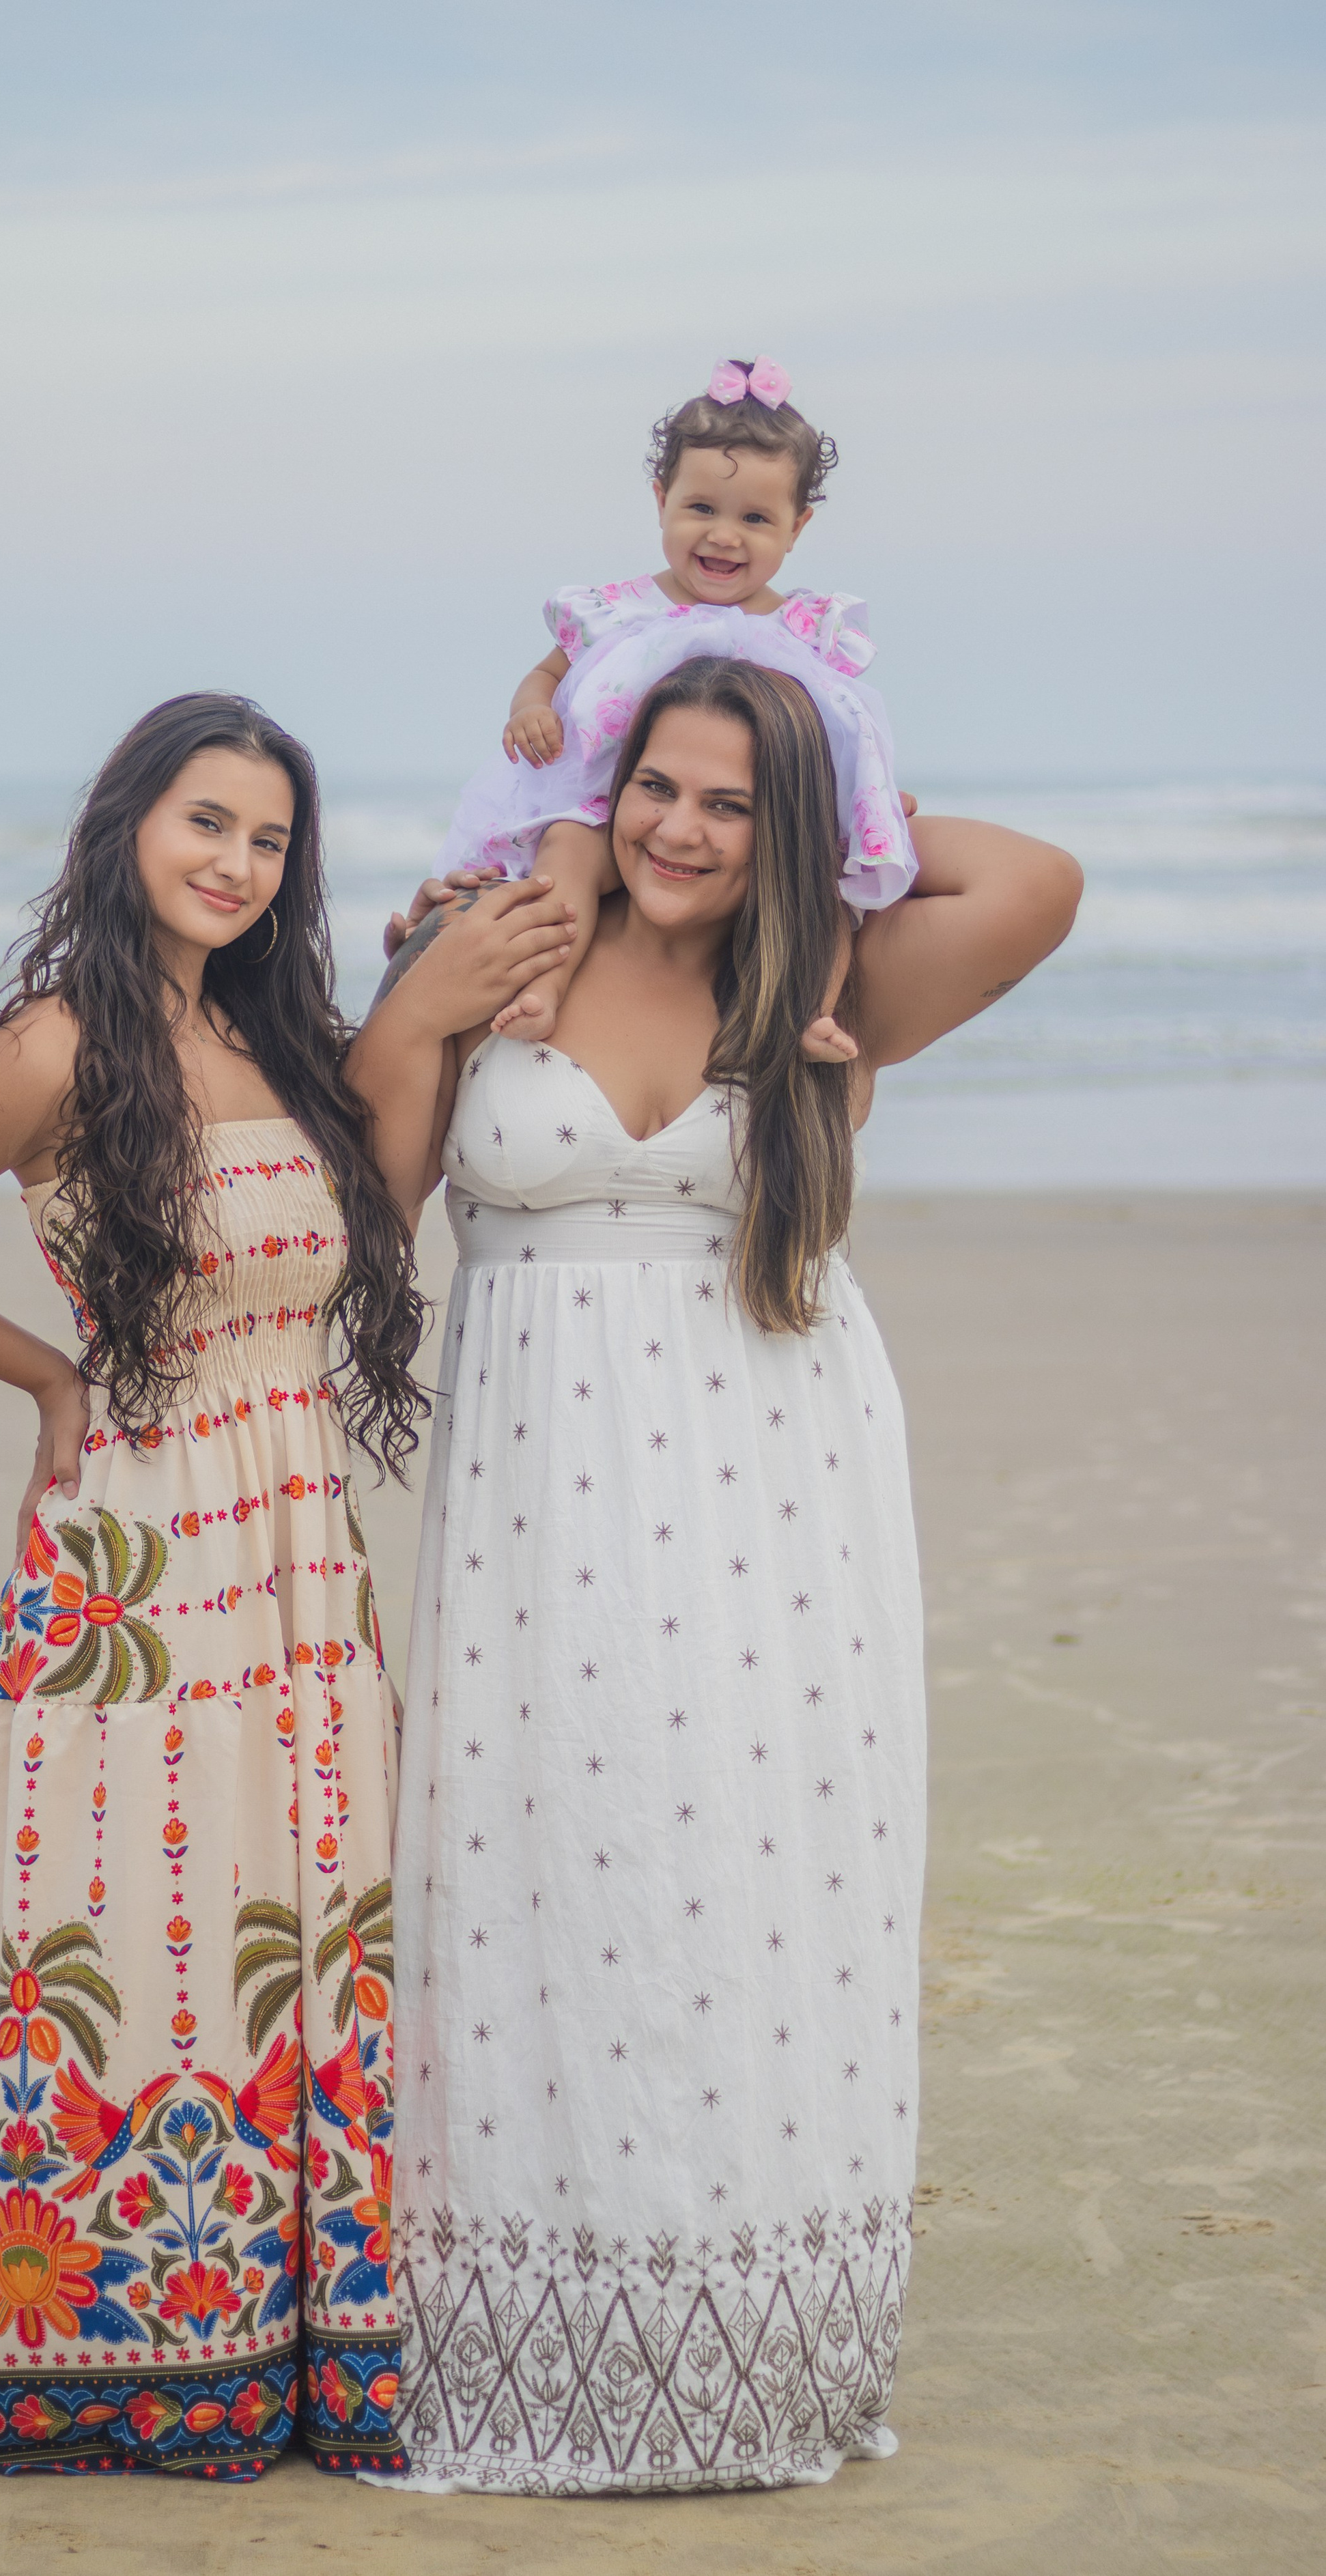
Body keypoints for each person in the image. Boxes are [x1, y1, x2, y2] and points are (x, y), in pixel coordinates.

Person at [348, 655, 1082, 2497]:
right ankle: (529, 2341)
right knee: (539, 1876)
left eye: (731, 801)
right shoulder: (505, 942)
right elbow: (377, 1213)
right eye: (656, 783)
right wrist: (483, 934)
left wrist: (838, 823)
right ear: (612, 779)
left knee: (754, 1891)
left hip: (778, 1492)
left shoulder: (823, 977)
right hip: (543, 1495)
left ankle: (750, 2353)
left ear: (795, 829)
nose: (684, 826)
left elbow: (1036, 881)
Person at [0, 693, 435, 2481]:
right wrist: (52, 1377)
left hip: (302, 1554)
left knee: (309, 1926)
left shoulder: (290, 1041)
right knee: (149, 1928)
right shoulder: (56, 1047)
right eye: (204, 820)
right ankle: (127, 2353)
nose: (234, 861)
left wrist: (433, 1017)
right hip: (140, 1559)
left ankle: (306, 2341)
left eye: (269, 837)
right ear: (128, 820)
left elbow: (369, 1235)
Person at [383, 355, 914, 1049]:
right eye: (700, 508)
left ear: (797, 527)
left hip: (746, 822)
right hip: (606, 808)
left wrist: (866, 798)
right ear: (660, 498)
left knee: (823, 881)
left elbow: (841, 725)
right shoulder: (618, 610)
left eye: (755, 517)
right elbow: (546, 672)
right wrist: (530, 709)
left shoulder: (803, 627)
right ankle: (538, 985)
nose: (724, 535)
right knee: (562, 858)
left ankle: (816, 1010)